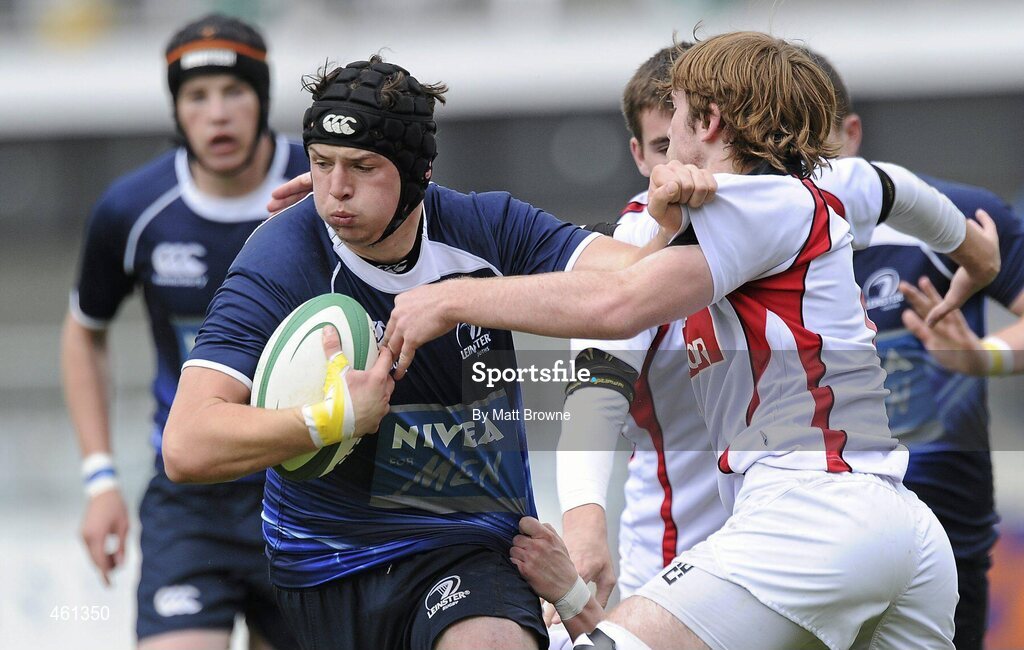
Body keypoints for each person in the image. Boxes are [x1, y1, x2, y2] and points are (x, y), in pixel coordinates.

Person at [383, 31, 1001, 649]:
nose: (666, 146)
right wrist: (973, 252)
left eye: (675, 113)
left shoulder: (749, 200)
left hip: (812, 516)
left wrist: (450, 297)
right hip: (900, 528)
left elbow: (615, 304)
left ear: (707, 121)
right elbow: (895, 188)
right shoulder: (802, 192)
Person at [161, 55, 714, 650]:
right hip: (324, 563)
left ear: (418, 173)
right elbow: (186, 445)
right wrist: (331, 418)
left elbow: (631, 282)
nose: (336, 190)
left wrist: (670, 223)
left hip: (471, 548)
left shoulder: (484, 226)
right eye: (321, 164)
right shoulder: (281, 258)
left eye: (362, 167)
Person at [61, 14, 307, 650]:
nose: (217, 114)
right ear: (176, 110)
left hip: (311, 485)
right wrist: (100, 479)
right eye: (197, 97)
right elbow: (84, 330)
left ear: (263, 100)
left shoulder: (322, 188)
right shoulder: (132, 210)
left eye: (235, 92)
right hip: (192, 493)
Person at [811, 50, 1024, 650]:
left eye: (816, 142)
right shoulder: (743, 240)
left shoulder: (957, 215)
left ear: (850, 134)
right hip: (805, 537)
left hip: (946, 530)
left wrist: (985, 357)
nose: (803, 167)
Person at [556, 43, 728, 609]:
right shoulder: (628, 244)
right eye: (662, 147)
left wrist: (972, 250)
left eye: (695, 138)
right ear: (637, 154)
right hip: (676, 557)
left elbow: (884, 189)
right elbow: (593, 396)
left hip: (794, 546)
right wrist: (583, 523)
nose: (681, 164)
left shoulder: (785, 213)